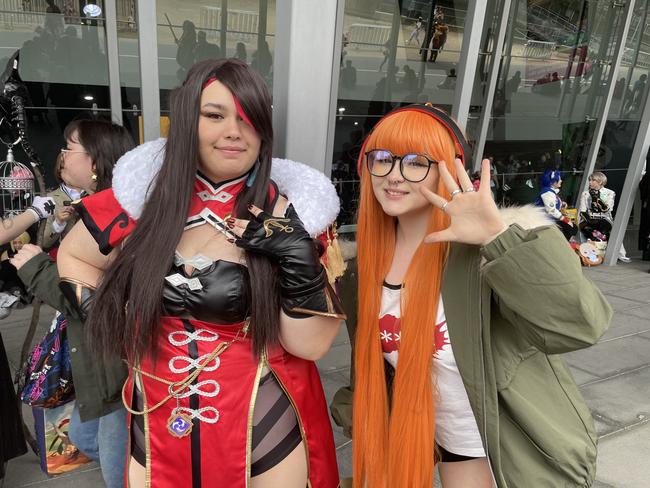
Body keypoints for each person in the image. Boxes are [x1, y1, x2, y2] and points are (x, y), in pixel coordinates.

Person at [48, 59, 343, 487]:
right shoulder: (141, 199)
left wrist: (297, 256)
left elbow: (310, 345)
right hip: (157, 406)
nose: (234, 132)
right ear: (187, 119)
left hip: (263, 413)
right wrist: (113, 322)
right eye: (215, 115)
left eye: (248, 117)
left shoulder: (297, 213)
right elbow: (75, 258)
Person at [330, 104, 611, 488]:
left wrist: (500, 240)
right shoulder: (361, 270)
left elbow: (580, 327)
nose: (393, 175)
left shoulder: (495, 248)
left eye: (415, 162)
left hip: (515, 448)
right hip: (451, 445)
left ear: (448, 169)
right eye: (381, 159)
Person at [11, 118, 135, 488]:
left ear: (95, 161)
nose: (62, 154)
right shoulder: (95, 206)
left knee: (118, 474)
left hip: (114, 367)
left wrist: (34, 269)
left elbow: (96, 299)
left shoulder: (116, 214)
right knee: (84, 438)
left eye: (70, 146)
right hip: (96, 361)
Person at [579, 171, 630, 262]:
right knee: (584, 229)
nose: (590, 182)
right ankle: (587, 253)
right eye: (589, 180)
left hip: (605, 217)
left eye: (593, 180)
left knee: (611, 231)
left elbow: (608, 208)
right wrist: (587, 220)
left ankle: (620, 254)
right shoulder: (585, 193)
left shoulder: (610, 193)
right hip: (590, 218)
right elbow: (583, 210)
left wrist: (597, 199)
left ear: (600, 182)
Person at [42, 152, 83, 251]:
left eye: (76, 166)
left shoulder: (96, 194)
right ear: (59, 170)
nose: (73, 172)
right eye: (66, 167)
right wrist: (59, 222)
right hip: (66, 257)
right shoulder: (50, 198)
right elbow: (44, 242)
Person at [535, 168, 576, 240]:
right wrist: (565, 219)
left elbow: (553, 202)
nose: (561, 181)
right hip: (545, 221)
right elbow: (551, 210)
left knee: (573, 227)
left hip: (551, 220)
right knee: (570, 228)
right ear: (553, 182)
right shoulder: (547, 193)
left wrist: (561, 204)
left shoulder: (550, 192)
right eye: (559, 179)